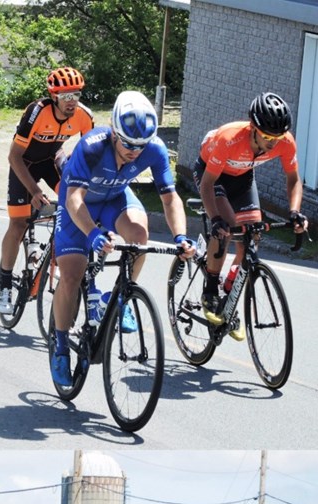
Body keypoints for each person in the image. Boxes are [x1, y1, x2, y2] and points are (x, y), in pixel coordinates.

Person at [47, 91, 195, 387]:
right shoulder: (91, 146)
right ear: (114, 132)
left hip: (114, 198)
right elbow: (74, 198)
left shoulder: (154, 149)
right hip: (79, 205)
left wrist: (181, 237)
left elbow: (170, 199)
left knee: (139, 236)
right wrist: (92, 234)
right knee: (73, 274)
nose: (134, 152)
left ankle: (119, 299)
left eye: (140, 146)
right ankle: (60, 344)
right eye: (127, 144)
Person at [193, 93, 308, 338]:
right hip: (211, 176)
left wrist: (295, 211)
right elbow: (206, 184)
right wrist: (215, 220)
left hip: (243, 178)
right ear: (253, 128)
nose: (272, 143)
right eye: (267, 136)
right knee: (227, 227)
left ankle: (229, 294)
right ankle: (210, 292)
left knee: (252, 236)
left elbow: (293, 179)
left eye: (277, 137)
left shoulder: (286, 141)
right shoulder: (229, 138)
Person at [0, 67, 95, 315]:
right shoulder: (36, 112)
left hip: (52, 160)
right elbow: (14, 156)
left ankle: (59, 255)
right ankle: (5, 281)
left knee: (75, 206)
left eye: (76, 95)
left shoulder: (84, 115)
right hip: (24, 164)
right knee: (19, 223)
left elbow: (91, 154)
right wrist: (34, 190)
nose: (72, 101)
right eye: (65, 96)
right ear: (54, 96)